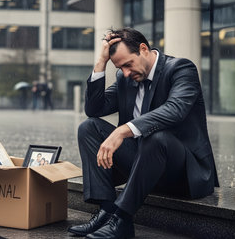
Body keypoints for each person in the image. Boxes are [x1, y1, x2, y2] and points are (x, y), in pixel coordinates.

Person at [68, 28, 219, 239]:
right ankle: (107, 210)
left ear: (143, 49)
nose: (126, 73)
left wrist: (123, 130)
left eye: (128, 64)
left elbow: (175, 110)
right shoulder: (125, 78)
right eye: (120, 67)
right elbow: (94, 109)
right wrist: (101, 63)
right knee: (89, 127)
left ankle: (122, 220)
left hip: (184, 171)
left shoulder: (181, 69)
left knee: (155, 137)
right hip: (145, 166)